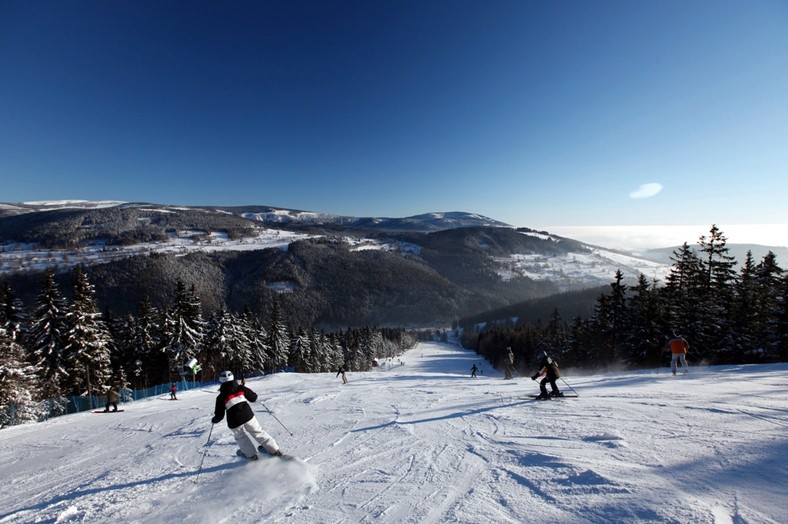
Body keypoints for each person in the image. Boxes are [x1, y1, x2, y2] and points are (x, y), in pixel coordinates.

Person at [211, 370, 283, 460]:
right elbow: (254, 398)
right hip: (247, 415)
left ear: (221, 380)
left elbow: (219, 415)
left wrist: (215, 419)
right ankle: (274, 450)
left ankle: (251, 455)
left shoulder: (221, 397)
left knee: (241, 437)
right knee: (258, 432)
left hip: (234, 420)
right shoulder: (241, 388)